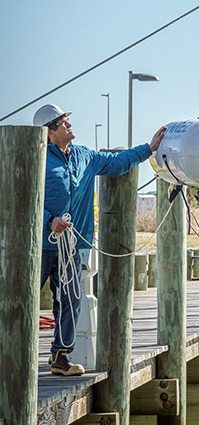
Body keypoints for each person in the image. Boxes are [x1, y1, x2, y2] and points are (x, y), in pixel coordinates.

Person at [33, 103, 166, 377]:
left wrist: (149, 148)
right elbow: (23, 196)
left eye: (67, 120)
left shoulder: (85, 156)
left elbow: (117, 163)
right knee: (23, 299)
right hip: (39, 245)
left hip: (71, 245)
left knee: (71, 299)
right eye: (62, 122)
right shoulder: (36, 158)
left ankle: (60, 356)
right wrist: (50, 219)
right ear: (49, 133)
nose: (69, 124)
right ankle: (12, 356)